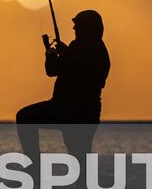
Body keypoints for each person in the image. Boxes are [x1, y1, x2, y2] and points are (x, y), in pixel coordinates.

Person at [16, 9, 111, 169]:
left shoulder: (79, 47)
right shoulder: (99, 49)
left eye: (78, 25)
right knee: (80, 157)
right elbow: (77, 66)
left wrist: (50, 54)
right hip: (88, 114)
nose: (74, 29)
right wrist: (66, 52)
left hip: (68, 110)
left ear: (87, 27)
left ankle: (34, 169)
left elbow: (52, 70)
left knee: (25, 117)